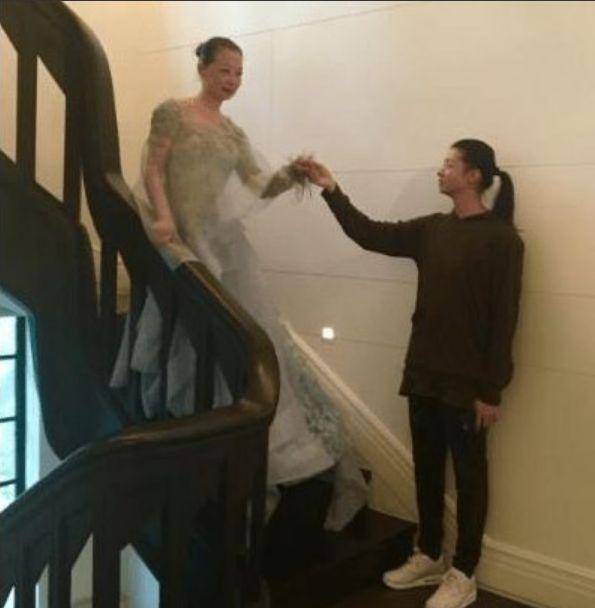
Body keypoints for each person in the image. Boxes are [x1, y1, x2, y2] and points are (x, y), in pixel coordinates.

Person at [111, 37, 367, 532]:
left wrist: (293, 174)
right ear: (203, 68)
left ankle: (260, 449)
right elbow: (153, 168)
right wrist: (162, 218)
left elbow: (257, 184)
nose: (232, 81)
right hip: (181, 240)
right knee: (192, 336)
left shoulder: (232, 131)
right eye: (224, 70)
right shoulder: (172, 113)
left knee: (250, 338)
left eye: (239, 74)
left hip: (224, 245)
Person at [298, 140, 523, 608]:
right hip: (423, 374)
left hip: (467, 385)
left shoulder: (503, 240)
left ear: (474, 176)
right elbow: (369, 233)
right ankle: (430, 554)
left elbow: (505, 318)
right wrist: (330, 188)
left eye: (449, 164)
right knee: (426, 469)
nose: (440, 171)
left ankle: (464, 573)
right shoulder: (432, 230)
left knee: (470, 477)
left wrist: (491, 390)